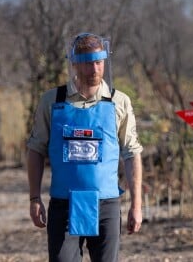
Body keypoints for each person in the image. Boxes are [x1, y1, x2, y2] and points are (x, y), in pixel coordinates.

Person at [27, 32, 143, 262]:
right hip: (64, 204)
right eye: (88, 63)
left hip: (106, 204)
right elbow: (36, 150)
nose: (94, 69)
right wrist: (34, 198)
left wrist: (136, 205)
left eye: (99, 62)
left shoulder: (119, 102)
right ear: (74, 64)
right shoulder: (52, 101)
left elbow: (132, 153)